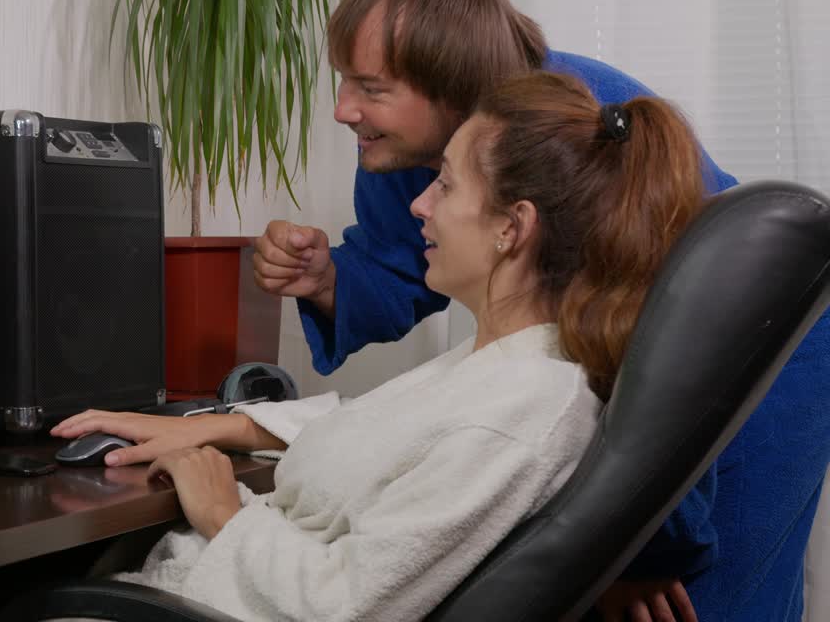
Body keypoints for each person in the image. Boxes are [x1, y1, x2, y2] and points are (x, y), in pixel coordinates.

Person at [251, 0, 830, 621]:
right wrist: (326, 280)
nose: (343, 109)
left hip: (754, 350)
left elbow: (649, 349)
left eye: (371, 88)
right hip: (639, 354)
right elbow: (396, 267)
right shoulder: (403, 146)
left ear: (451, 89)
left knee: (709, 602)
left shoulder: (574, 137)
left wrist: (636, 546)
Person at [52, 70, 705, 622]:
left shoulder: (521, 412)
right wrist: (220, 426)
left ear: (513, 227)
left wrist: (224, 511)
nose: (419, 204)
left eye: (446, 184)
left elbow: (347, 606)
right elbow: (383, 430)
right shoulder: (505, 365)